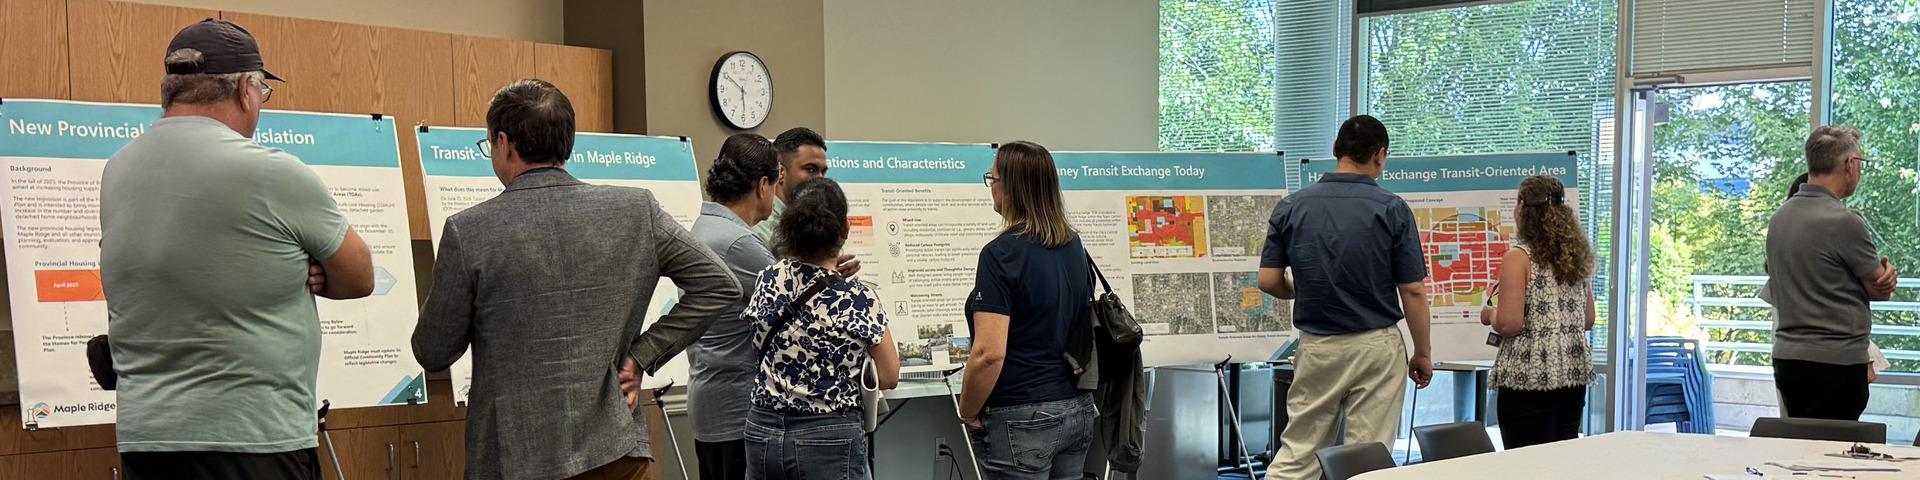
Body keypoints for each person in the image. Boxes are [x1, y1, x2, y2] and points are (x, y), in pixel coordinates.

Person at [411, 79, 740, 480]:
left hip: (514, 459)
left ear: (503, 142)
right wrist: (641, 357)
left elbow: (433, 350)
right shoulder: (636, 210)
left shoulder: (470, 231)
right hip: (615, 448)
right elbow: (719, 283)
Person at [100, 19, 376, 480]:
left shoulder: (117, 169)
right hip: (254, 439)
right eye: (262, 91)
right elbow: (360, 275)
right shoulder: (272, 172)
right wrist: (308, 268)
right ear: (248, 88)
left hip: (147, 441)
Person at [1258, 115, 1434, 480]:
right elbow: (1413, 290)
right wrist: (1423, 352)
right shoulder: (1392, 208)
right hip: (1376, 346)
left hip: (1317, 346)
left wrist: (1295, 290)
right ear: (1380, 156)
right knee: (1367, 458)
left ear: (1335, 150)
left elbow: (1268, 280)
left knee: (1298, 453)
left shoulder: (1291, 207)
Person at [956, 141, 1098, 479]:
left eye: (993, 179)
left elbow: (989, 354)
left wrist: (968, 411)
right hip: (1075, 408)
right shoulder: (1074, 247)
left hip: (1021, 414)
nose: (991, 188)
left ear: (1010, 188)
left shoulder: (1000, 254)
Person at [742, 177, 900, 480]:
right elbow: (890, 376)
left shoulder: (766, 280)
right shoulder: (857, 297)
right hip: (828, 436)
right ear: (844, 229)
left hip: (763, 430)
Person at [1763, 126, 1897, 421]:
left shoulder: (1779, 219)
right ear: (1849, 165)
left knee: (1802, 449)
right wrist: (1887, 276)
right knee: (1832, 457)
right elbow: (1879, 288)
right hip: (1835, 363)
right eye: (1860, 163)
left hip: (1788, 360)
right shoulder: (1844, 221)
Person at [686, 133, 783, 480]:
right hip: (738, 412)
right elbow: (797, 304)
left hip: (711, 403)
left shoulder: (704, 227)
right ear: (762, 185)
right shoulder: (738, 242)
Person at [1477, 175, 1596, 449]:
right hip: (1572, 376)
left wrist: (1489, 315)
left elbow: (1508, 324)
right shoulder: (1575, 256)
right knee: (1561, 464)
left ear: (1521, 207)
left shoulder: (1519, 257)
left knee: (1526, 468)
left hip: (1527, 379)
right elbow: (1587, 319)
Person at [753, 127, 861, 275]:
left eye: (823, 172)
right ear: (781, 173)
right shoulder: (762, 232)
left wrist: (830, 275)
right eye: (810, 169)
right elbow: (777, 289)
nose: (819, 179)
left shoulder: (816, 224)